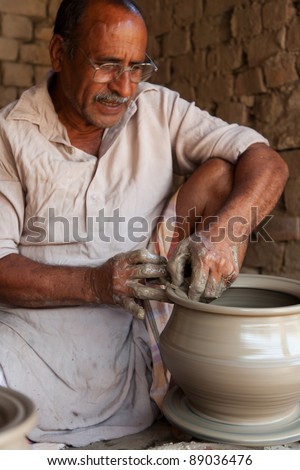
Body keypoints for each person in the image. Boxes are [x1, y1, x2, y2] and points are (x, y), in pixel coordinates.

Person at [0, 0, 288, 447]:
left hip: (147, 327)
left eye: (138, 67)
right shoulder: (10, 135)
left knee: (223, 175)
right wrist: (96, 283)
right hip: (37, 350)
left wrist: (225, 232)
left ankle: (191, 377)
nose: (125, 86)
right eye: (107, 64)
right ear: (59, 53)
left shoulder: (156, 109)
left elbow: (266, 161)